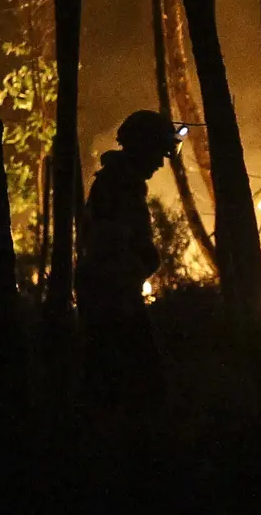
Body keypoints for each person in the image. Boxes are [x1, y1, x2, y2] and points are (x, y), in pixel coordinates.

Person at [75, 109, 184, 412]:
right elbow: (111, 248)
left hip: (111, 294)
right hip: (112, 299)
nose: (161, 162)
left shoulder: (120, 181)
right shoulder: (119, 185)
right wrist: (142, 263)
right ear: (141, 147)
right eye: (158, 152)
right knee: (131, 383)